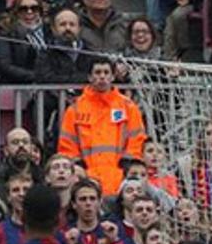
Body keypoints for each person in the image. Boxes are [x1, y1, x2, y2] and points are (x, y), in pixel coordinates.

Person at [57, 58, 148, 196]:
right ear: (90, 77)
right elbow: (67, 145)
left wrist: (128, 165)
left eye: (106, 72)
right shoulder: (75, 109)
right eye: (98, 72)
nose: (102, 76)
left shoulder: (128, 107)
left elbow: (137, 139)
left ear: (112, 76)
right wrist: (79, 168)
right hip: (88, 180)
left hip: (120, 178)